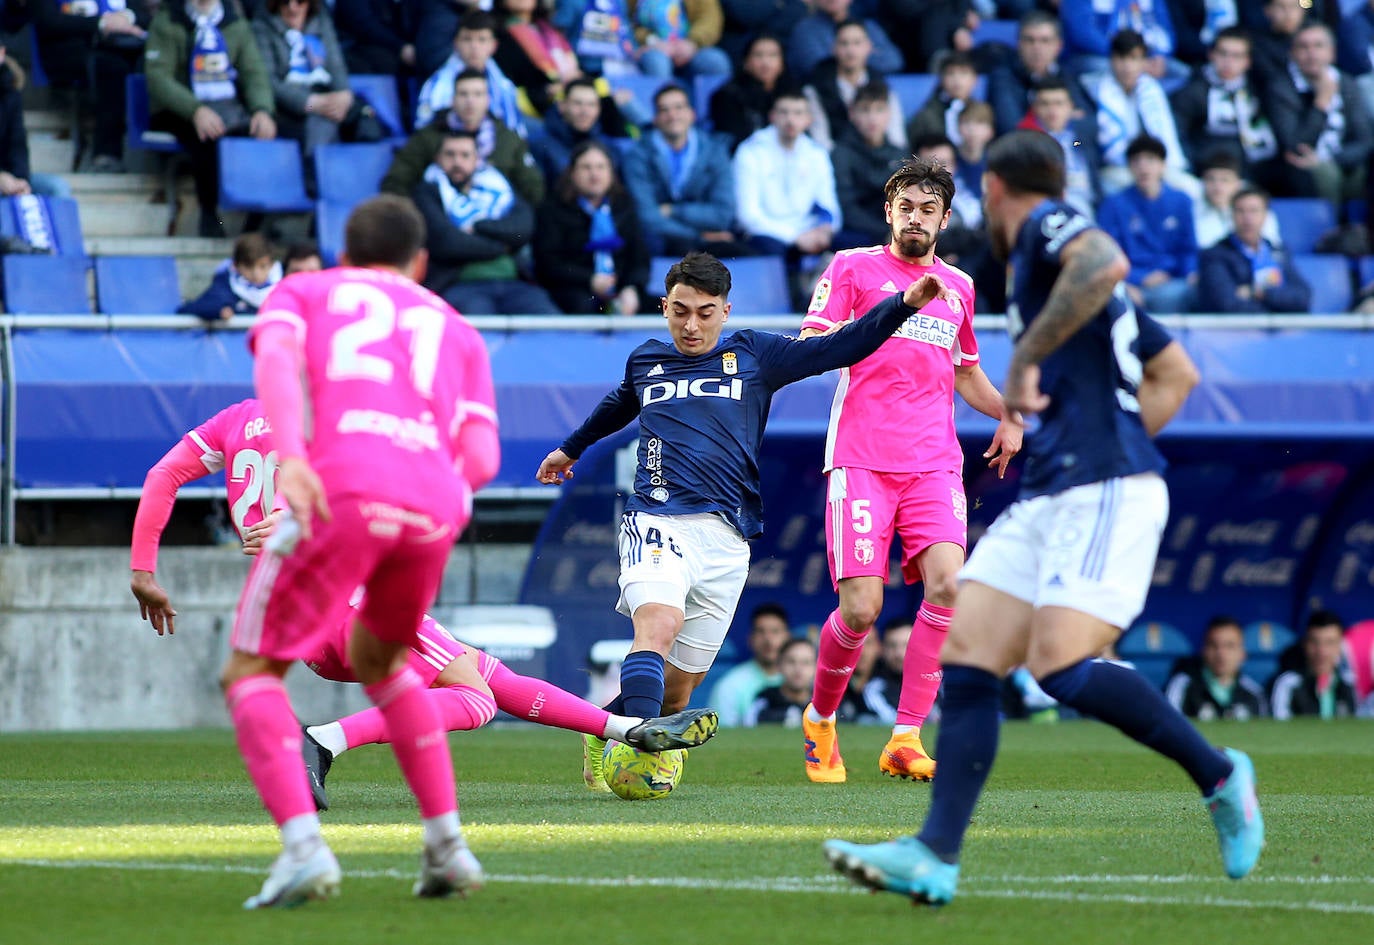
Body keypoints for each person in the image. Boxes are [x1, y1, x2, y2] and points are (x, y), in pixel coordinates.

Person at [823, 129, 1264, 905]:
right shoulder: (1047, 281)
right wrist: (1084, 441)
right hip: (1064, 486)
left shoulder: (1047, 234)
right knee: (968, 651)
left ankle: (1221, 773)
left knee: (1057, 665)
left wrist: (1033, 365)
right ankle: (934, 853)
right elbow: (1178, 372)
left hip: (1102, 488)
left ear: (991, 190)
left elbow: (1104, 261)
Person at [129, 395, 717, 812]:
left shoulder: (236, 420)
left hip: (297, 620)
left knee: (486, 673)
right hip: (351, 596)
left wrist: (143, 569)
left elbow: (162, 475)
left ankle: (626, 730)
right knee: (476, 698)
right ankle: (323, 741)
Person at [535, 251, 957, 790]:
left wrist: (902, 304)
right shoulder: (647, 360)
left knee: (678, 691)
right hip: (657, 517)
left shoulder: (755, 354)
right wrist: (571, 449)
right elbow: (623, 401)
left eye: (705, 312)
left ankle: (602, 727)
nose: (691, 325)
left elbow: (838, 346)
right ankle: (639, 749)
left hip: (727, 538)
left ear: (726, 310)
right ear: (664, 307)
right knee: (657, 627)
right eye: (680, 311)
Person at [231, 194, 500, 906]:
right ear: (420, 262)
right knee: (386, 664)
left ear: (344, 254)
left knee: (250, 670)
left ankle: (302, 849)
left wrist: (291, 457)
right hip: (432, 502)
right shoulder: (456, 326)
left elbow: (277, 367)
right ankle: (447, 847)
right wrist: (444, 502)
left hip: (341, 487)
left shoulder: (305, 289)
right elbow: (481, 451)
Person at [798, 155, 1020, 785]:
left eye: (929, 209)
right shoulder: (851, 268)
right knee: (863, 609)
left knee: (950, 587)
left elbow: (965, 369)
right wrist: (898, 305)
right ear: (888, 212)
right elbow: (816, 344)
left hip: (933, 462)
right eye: (906, 207)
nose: (916, 218)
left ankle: (904, 737)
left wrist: (1009, 415)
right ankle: (820, 719)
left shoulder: (962, 286)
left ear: (945, 219)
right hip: (861, 457)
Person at [144, 0, 278, 238]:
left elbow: (253, 72)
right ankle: (209, 214)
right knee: (208, 133)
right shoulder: (167, 21)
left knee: (262, 133)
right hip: (178, 108)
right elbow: (158, 78)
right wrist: (195, 109)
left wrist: (262, 109)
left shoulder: (235, 24)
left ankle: (257, 219)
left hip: (226, 105)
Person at [412, 128, 559, 315]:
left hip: (515, 284)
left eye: (465, 155)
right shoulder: (428, 192)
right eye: (450, 155)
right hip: (462, 286)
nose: (457, 162)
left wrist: (478, 227)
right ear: (438, 159)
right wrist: (502, 247)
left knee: (551, 325)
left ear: (476, 160)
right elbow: (447, 242)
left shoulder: (499, 189)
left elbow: (522, 228)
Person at [382, 68, 545, 207]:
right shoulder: (427, 136)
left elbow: (533, 190)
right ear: (453, 100)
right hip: (439, 224)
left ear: (488, 100)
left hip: (498, 223)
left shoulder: (508, 139)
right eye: (463, 94)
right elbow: (396, 182)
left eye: (477, 94)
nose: (470, 101)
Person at [1263, 21, 1373, 205]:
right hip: (1297, 169)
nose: (1312, 54)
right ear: (1292, 53)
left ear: (1332, 52)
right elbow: (1295, 145)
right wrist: (1321, 104)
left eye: (1318, 46)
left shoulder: (1346, 83)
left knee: (1360, 171)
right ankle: (1331, 229)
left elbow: (1365, 139)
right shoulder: (1281, 87)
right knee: (1325, 174)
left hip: (1339, 160)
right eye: (1304, 47)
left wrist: (1330, 159)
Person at [622, 83, 738, 257]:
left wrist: (673, 211)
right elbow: (647, 216)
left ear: (692, 114)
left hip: (711, 239)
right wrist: (698, 236)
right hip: (667, 239)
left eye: (679, 107)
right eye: (664, 110)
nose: (672, 115)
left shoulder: (715, 151)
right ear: (655, 119)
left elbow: (722, 214)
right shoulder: (637, 155)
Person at [533, 140, 648, 315]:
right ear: (572, 173)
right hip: (575, 289)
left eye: (601, 167)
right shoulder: (552, 209)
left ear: (611, 173)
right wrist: (590, 280)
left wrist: (631, 288)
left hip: (621, 288)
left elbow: (639, 258)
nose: (595, 174)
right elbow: (548, 264)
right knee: (584, 306)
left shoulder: (624, 206)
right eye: (586, 168)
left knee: (663, 309)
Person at [32, 0, 149, 172]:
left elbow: (145, 14)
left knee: (148, 62)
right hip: (71, 50)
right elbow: (47, 20)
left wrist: (126, 17)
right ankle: (105, 155)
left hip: (124, 45)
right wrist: (101, 23)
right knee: (112, 67)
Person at [1083, 29, 1197, 200]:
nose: (1127, 67)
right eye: (1121, 58)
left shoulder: (1153, 91)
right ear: (1111, 60)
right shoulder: (1092, 92)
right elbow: (1081, 142)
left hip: (1157, 166)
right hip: (1115, 169)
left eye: (1134, 59)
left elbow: (1171, 139)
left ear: (1144, 62)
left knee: (1192, 190)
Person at [252, 0, 368, 161]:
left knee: (366, 118)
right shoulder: (262, 27)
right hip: (292, 105)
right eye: (285, 2)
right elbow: (269, 81)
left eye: (299, 1)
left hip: (326, 96)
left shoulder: (321, 22)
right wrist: (312, 103)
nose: (293, 7)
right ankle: (317, 179)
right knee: (322, 122)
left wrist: (344, 95)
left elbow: (336, 65)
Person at [1095, 134, 1199, 314]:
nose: (1143, 167)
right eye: (1136, 161)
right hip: (1131, 284)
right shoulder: (1114, 205)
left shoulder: (1181, 201)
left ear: (1163, 165)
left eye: (1150, 160)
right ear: (1129, 167)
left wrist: (1191, 272)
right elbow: (1107, 254)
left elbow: (1188, 249)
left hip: (1173, 282)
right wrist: (1135, 278)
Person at [733, 89, 841, 258]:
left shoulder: (816, 153)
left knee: (857, 244)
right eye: (784, 113)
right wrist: (794, 237)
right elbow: (748, 217)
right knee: (771, 249)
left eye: (798, 113)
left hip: (807, 228)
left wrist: (825, 230)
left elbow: (828, 205)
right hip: (767, 231)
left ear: (808, 120)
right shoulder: (750, 151)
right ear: (772, 117)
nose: (790, 120)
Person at [1169, 27, 1278, 184]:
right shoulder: (1192, 92)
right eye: (1223, 54)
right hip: (1205, 175)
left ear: (1247, 61)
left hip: (1252, 173)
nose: (1228, 62)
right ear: (1211, 55)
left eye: (1236, 56)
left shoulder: (1259, 91)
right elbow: (1178, 135)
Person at [1196, 186, 1310, 314]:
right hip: (1235, 331)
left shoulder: (1278, 251)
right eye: (1240, 211)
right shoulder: (1214, 255)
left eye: (1254, 211)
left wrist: (1257, 293)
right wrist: (1277, 312)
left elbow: (1303, 298)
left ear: (1266, 215)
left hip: (1279, 330)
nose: (1247, 218)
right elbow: (1227, 304)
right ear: (1231, 215)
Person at [803, 21, 905, 153]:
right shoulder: (816, 87)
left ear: (869, 47)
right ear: (833, 48)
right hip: (837, 162)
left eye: (857, 43)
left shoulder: (882, 85)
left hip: (879, 162)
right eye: (844, 43)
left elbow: (896, 138)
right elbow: (821, 142)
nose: (850, 51)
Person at [416, 10, 525, 133]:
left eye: (481, 39)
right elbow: (424, 134)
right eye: (467, 39)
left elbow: (517, 132)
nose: (474, 46)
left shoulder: (505, 85)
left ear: (493, 45)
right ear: (456, 43)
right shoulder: (436, 85)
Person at [831, 81, 907, 249]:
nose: (872, 118)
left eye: (879, 110)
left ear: (889, 114)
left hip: (894, 232)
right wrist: (887, 232)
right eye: (865, 110)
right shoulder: (840, 153)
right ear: (852, 113)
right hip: (857, 235)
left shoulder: (899, 154)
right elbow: (847, 209)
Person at [986, 10, 1086, 135]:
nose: (1037, 47)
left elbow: (1085, 120)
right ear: (1018, 44)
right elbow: (1010, 125)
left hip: (1069, 146)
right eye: (1029, 40)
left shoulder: (1068, 74)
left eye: (1045, 40)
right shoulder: (1003, 77)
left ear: (1058, 46)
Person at [1165, 617, 1269, 721]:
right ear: (1203, 651)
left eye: (1229, 646)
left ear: (1243, 654)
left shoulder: (1254, 694)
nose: (1221, 653)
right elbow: (1169, 727)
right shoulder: (1183, 686)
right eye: (1214, 645)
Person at [707, 602, 792, 727]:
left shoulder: (803, 679)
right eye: (761, 631)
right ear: (750, 639)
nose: (768, 639)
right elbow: (722, 736)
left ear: (788, 637)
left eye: (775, 631)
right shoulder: (731, 685)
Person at [1024, 76, 1098, 217]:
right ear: (1035, 109)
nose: (1052, 110)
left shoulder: (1082, 137)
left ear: (1070, 106)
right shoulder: (1028, 144)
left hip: (1088, 207)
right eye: (1045, 104)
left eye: (1058, 103)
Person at [708, 32, 790, 153]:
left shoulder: (790, 93)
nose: (765, 63)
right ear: (746, 62)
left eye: (772, 55)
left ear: (782, 63)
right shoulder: (727, 95)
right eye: (758, 55)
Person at [1271, 611, 1358, 720]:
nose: (1322, 652)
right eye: (1315, 642)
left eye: (1330, 643)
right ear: (1305, 644)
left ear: (1340, 646)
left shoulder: (1350, 684)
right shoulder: (1289, 684)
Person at [177, 233, 282, 322]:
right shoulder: (225, 285)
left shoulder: (283, 287)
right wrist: (218, 311)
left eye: (262, 266)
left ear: (272, 265)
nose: (256, 274)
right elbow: (190, 309)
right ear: (236, 265)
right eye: (248, 266)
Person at [1192, 151, 1282, 251]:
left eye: (1225, 180)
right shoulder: (1191, 211)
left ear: (1238, 183)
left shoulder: (1256, 209)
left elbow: (1272, 250)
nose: (1217, 187)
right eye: (1211, 179)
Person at [625, 0, 732, 80]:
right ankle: (663, 109)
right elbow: (628, 22)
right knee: (657, 62)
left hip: (692, 47)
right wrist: (652, 41)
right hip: (653, 47)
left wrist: (692, 42)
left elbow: (709, 19)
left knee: (715, 60)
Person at [744, 636, 816, 726]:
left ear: (816, 667)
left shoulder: (826, 702)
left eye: (806, 662)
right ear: (779, 665)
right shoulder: (765, 700)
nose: (798, 669)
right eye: (791, 661)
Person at [856, 618, 911, 728]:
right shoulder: (874, 689)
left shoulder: (937, 682)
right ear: (882, 649)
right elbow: (891, 721)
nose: (899, 654)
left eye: (906, 645)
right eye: (892, 646)